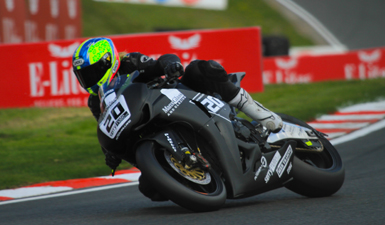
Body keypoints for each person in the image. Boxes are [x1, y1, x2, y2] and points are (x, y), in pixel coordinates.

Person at [72, 37, 283, 201]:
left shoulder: (130, 63)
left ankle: (257, 111)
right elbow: (108, 128)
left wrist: (171, 66)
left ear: (107, 61)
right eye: (83, 75)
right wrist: (109, 154)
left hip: (175, 98)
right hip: (148, 129)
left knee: (200, 69)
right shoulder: (95, 101)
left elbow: (161, 62)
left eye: (92, 72)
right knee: (149, 188)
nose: (88, 79)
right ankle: (197, 180)